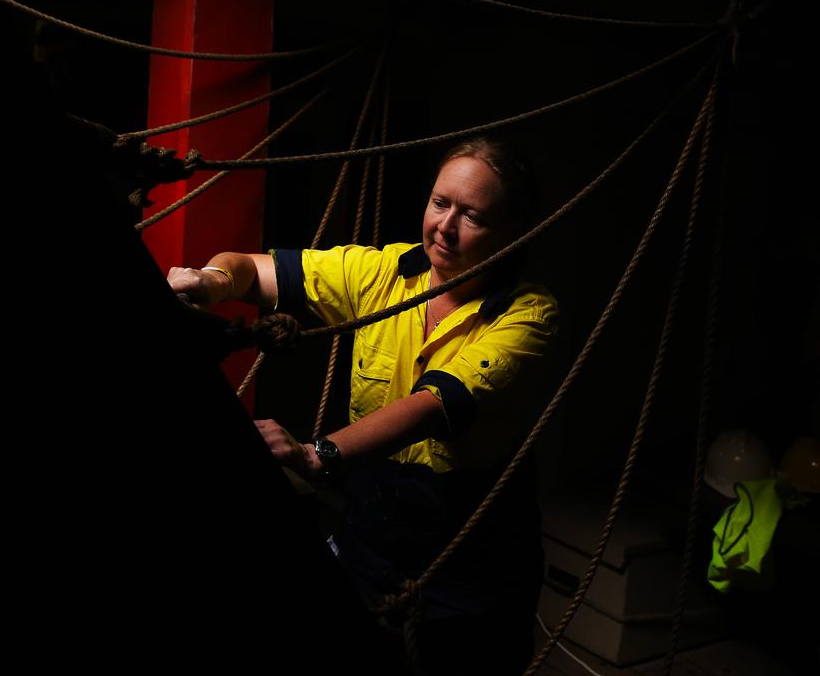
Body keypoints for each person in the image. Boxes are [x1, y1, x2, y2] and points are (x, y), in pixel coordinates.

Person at [168, 137, 558, 674]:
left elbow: (430, 407)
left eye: (473, 216)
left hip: (471, 565)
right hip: (369, 541)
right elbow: (254, 271)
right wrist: (210, 281)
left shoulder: (530, 315)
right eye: (440, 203)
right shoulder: (385, 271)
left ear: (513, 231)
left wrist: (315, 454)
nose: (445, 226)